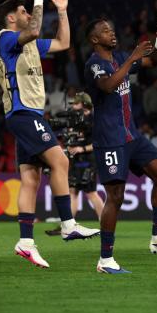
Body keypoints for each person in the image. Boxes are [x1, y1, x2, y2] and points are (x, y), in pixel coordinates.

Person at [0, 0, 99, 269]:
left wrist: (63, 11)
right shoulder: (5, 37)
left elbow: (64, 42)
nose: (28, 14)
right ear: (12, 18)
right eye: (24, 11)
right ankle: (68, 223)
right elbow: (35, 27)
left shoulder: (29, 45)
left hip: (27, 115)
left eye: (30, 9)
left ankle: (26, 242)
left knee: (30, 179)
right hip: (23, 112)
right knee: (61, 161)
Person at [85, 19, 157, 274]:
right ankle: (105, 260)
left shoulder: (119, 57)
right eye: (105, 31)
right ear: (95, 40)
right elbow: (107, 86)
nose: (111, 33)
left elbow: (153, 60)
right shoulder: (95, 64)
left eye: (112, 29)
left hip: (131, 136)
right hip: (109, 139)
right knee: (115, 197)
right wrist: (132, 59)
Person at [46, 92, 104, 237]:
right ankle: (67, 224)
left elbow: (99, 143)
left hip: (89, 159)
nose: (74, 106)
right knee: (72, 191)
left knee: (91, 193)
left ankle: (106, 223)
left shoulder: (92, 120)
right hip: (75, 160)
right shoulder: (75, 119)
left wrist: (81, 148)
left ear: (84, 104)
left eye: (76, 103)